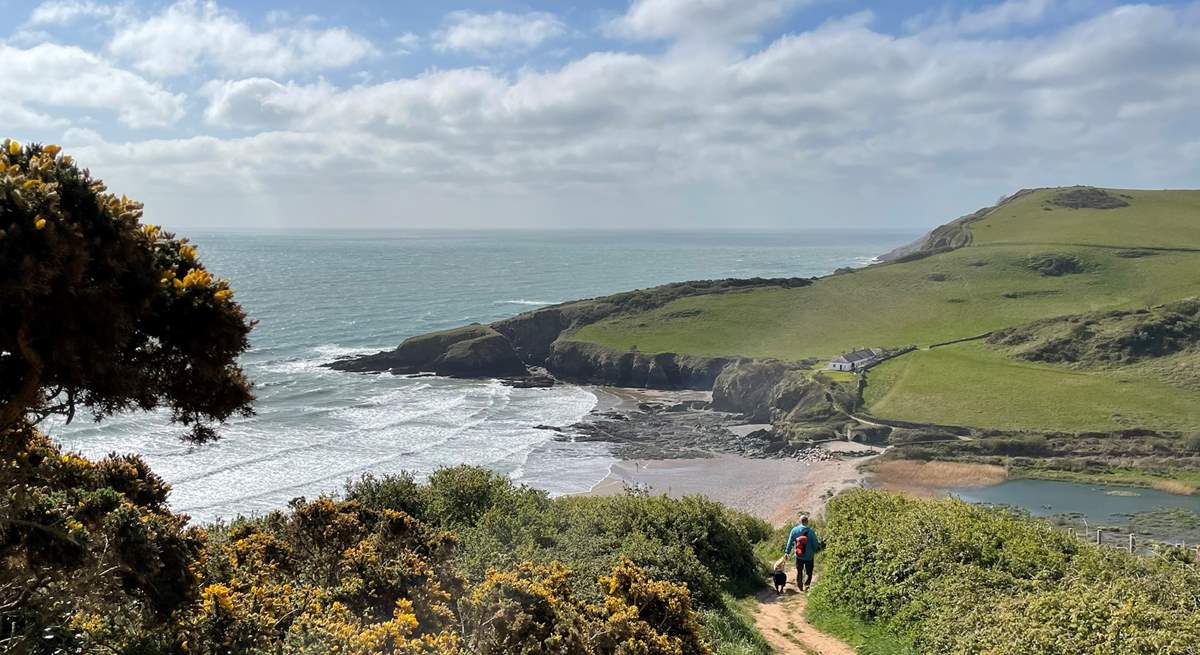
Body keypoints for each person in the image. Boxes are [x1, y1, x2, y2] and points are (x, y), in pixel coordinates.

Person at [784, 515, 821, 592]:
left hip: (799, 555)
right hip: (809, 556)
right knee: (809, 572)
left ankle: (800, 586)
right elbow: (815, 544)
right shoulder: (811, 532)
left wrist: (787, 552)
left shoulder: (794, 530)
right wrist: (814, 551)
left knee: (799, 571)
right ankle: (807, 586)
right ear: (807, 522)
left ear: (800, 521)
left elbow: (790, 542)